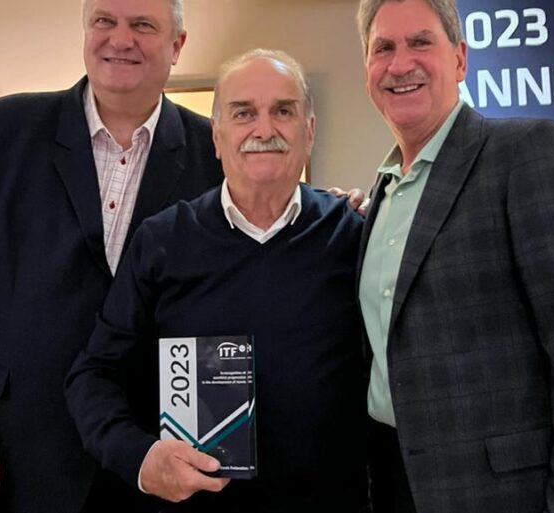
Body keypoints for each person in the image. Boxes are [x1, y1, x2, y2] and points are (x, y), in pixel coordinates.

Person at [0, 1, 224, 512]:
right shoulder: (1, 130)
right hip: (15, 454)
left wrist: (341, 210)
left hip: (156, 462)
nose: (120, 39)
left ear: (176, 45)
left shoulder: (216, 154)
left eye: (142, 25)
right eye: (105, 21)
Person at [354, 1, 554, 512]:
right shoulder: (382, 196)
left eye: (420, 42)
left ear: (460, 59)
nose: (400, 63)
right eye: (383, 48)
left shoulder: (527, 151)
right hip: (393, 483)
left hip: (503, 495)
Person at [64, 49, 369, 512]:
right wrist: (141, 458)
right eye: (243, 113)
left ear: (308, 132)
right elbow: (94, 376)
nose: (263, 130)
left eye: (283, 111)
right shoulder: (163, 240)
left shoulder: (352, 235)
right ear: (217, 136)